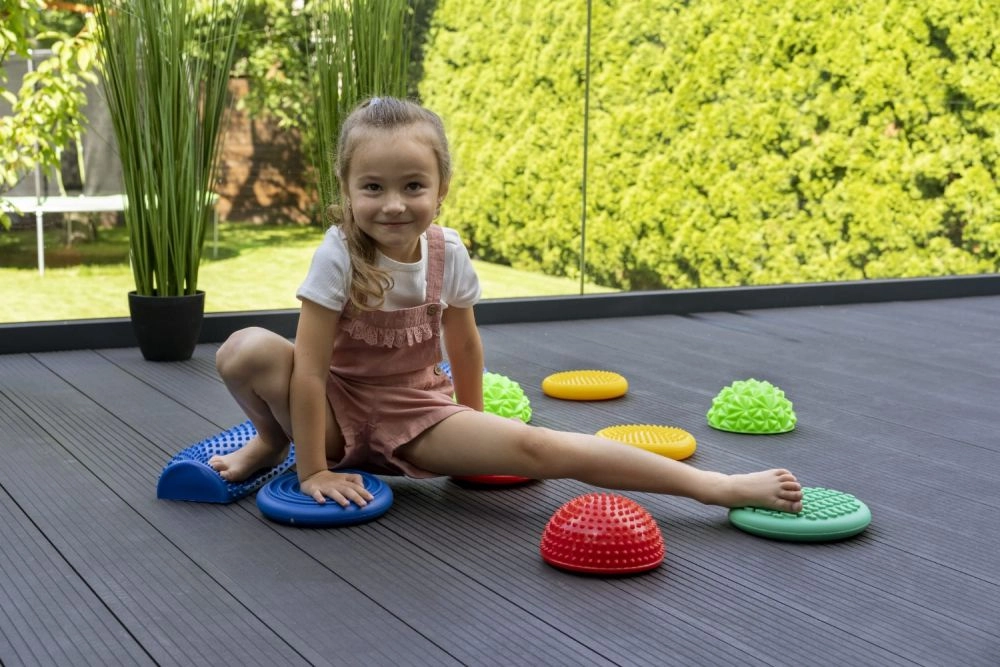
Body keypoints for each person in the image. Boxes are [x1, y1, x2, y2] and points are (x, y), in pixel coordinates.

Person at [209, 96, 803, 515]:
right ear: (347, 189)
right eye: (372, 187)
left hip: (416, 413)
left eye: (413, 185)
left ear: (442, 188)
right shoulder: (338, 253)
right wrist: (314, 469)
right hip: (334, 415)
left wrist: (474, 429)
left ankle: (715, 487)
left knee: (540, 446)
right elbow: (310, 371)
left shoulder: (447, 253)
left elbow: (464, 345)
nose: (393, 204)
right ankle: (272, 440)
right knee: (245, 349)